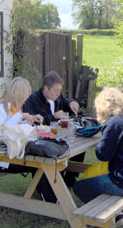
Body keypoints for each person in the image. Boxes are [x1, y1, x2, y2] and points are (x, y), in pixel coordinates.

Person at [73, 87, 123, 228]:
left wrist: (103, 139)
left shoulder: (114, 123)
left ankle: (113, 215)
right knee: (95, 176)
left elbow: (102, 155)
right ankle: (117, 211)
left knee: (79, 187)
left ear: (103, 107)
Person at [22, 71, 82, 202]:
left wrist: (72, 102)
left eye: (59, 90)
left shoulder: (58, 97)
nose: (58, 94)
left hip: (55, 134)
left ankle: (69, 177)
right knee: (55, 152)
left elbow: (66, 101)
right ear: (45, 88)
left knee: (78, 146)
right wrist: (53, 117)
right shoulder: (33, 100)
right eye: (55, 91)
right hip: (40, 138)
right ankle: (47, 188)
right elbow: (35, 123)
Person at [0, 77, 44, 171]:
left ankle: (42, 186)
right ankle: (43, 186)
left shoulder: (14, 108)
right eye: (25, 94)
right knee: (39, 163)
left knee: (41, 158)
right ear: (19, 94)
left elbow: (16, 128)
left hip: (11, 152)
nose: (27, 97)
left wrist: (30, 120)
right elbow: (0, 134)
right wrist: (20, 116)